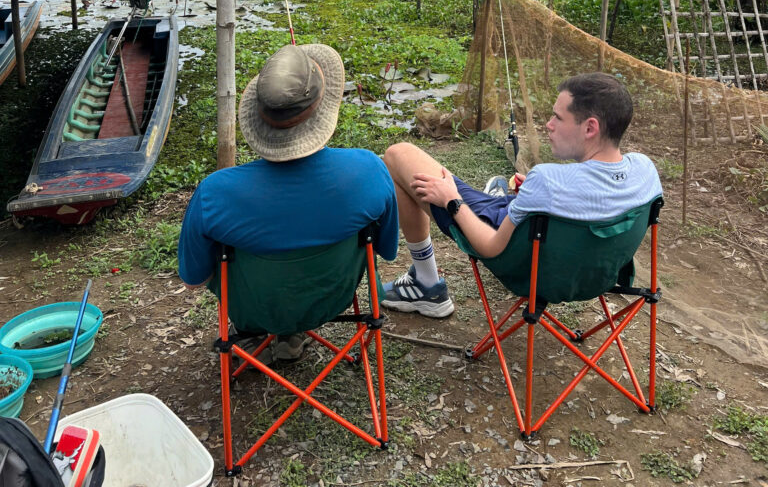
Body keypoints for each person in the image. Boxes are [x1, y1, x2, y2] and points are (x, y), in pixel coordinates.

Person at [178, 42, 399, 357]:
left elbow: (194, 280)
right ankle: (291, 334)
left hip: (255, 309)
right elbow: (385, 250)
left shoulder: (214, 193)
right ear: (324, 109)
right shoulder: (370, 171)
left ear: (258, 115)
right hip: (332, 301)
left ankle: (261, 335)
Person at [381, 72, 662, 318]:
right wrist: (535, 197)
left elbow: (491, 248)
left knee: (398, 154)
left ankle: (426, 284)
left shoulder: (548, 180)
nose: (549, 125)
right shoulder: (646, 170)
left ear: (590, 128)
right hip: (594, 275)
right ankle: (508, 202)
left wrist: (451, 201)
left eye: (558, 117)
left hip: (526, 264)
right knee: (513, 200)